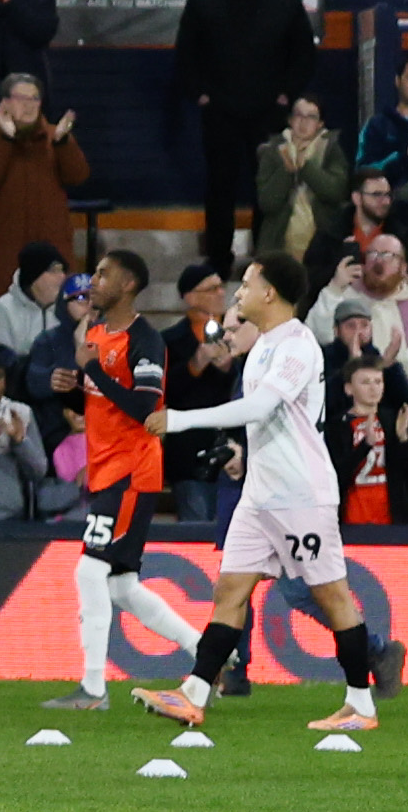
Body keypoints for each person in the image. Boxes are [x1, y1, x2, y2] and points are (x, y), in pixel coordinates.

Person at [141, 259, 388, 738]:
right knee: (230, 590)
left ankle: (360, 702)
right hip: (260, 494)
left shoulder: (297, 346)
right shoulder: (264, 347)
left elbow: (259, 407)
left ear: (271, 293)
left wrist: (181, 419)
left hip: (300, 494)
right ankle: (193, 693)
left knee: (332, 596)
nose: (238, 295)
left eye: (248, 286)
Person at [61, 247, 208, 704]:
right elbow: (99, 401)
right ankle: (208, 655)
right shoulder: (97, 331)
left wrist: (91, 372)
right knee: (121, 585)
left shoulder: (146, 340)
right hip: (107, 469)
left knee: (90, 572)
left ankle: (92, 688)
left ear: (128, 284)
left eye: (103, 275)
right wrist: (69, 388)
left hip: (131, 470)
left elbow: (146, 408)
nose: (93, 283)